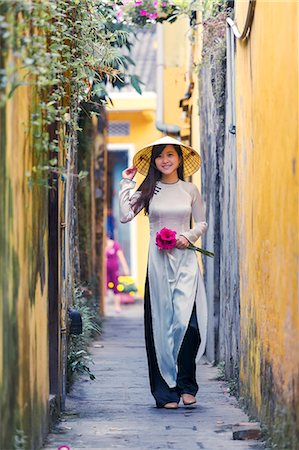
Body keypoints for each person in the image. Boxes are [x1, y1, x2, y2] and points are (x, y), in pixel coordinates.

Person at [119, 135, 208, 410]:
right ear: (154, 162)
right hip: (158, 264)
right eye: (160, 156)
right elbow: (125, 215)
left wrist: (189, 235)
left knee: (189, 326)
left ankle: (187, 385)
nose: (165, 160)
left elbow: (202, 221)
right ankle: (166, 392)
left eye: (170, 154)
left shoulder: (189, 190)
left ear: (179, 159)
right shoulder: (149, 190)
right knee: (161, 325)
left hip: (185, 262)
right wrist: (127, 182)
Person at [105, 234, 130, 313]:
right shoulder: (103, 246)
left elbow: (121, 257)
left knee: (116, 287)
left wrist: (125, 268)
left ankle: (117, 307)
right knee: (104, 288)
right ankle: (104, 308)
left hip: (114, 270)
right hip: (105, 271)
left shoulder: (115, 245)